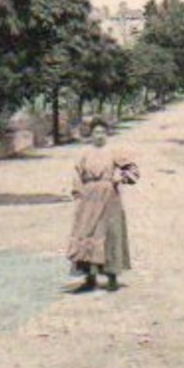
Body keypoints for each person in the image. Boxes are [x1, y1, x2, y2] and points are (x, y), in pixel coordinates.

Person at [65, 121, 138, 293]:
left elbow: (133, 170)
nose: (99, 135)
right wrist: (78, 193)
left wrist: (121, 178)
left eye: (102, 132)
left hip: (109, 197)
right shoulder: (84, 154)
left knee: (110, 233)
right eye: (96, 132)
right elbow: (77, 175)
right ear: (91, 134)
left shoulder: (114, 152)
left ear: (107, 134)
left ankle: (112, 276)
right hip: (89, 198)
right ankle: (89, 277)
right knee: (86, 233)